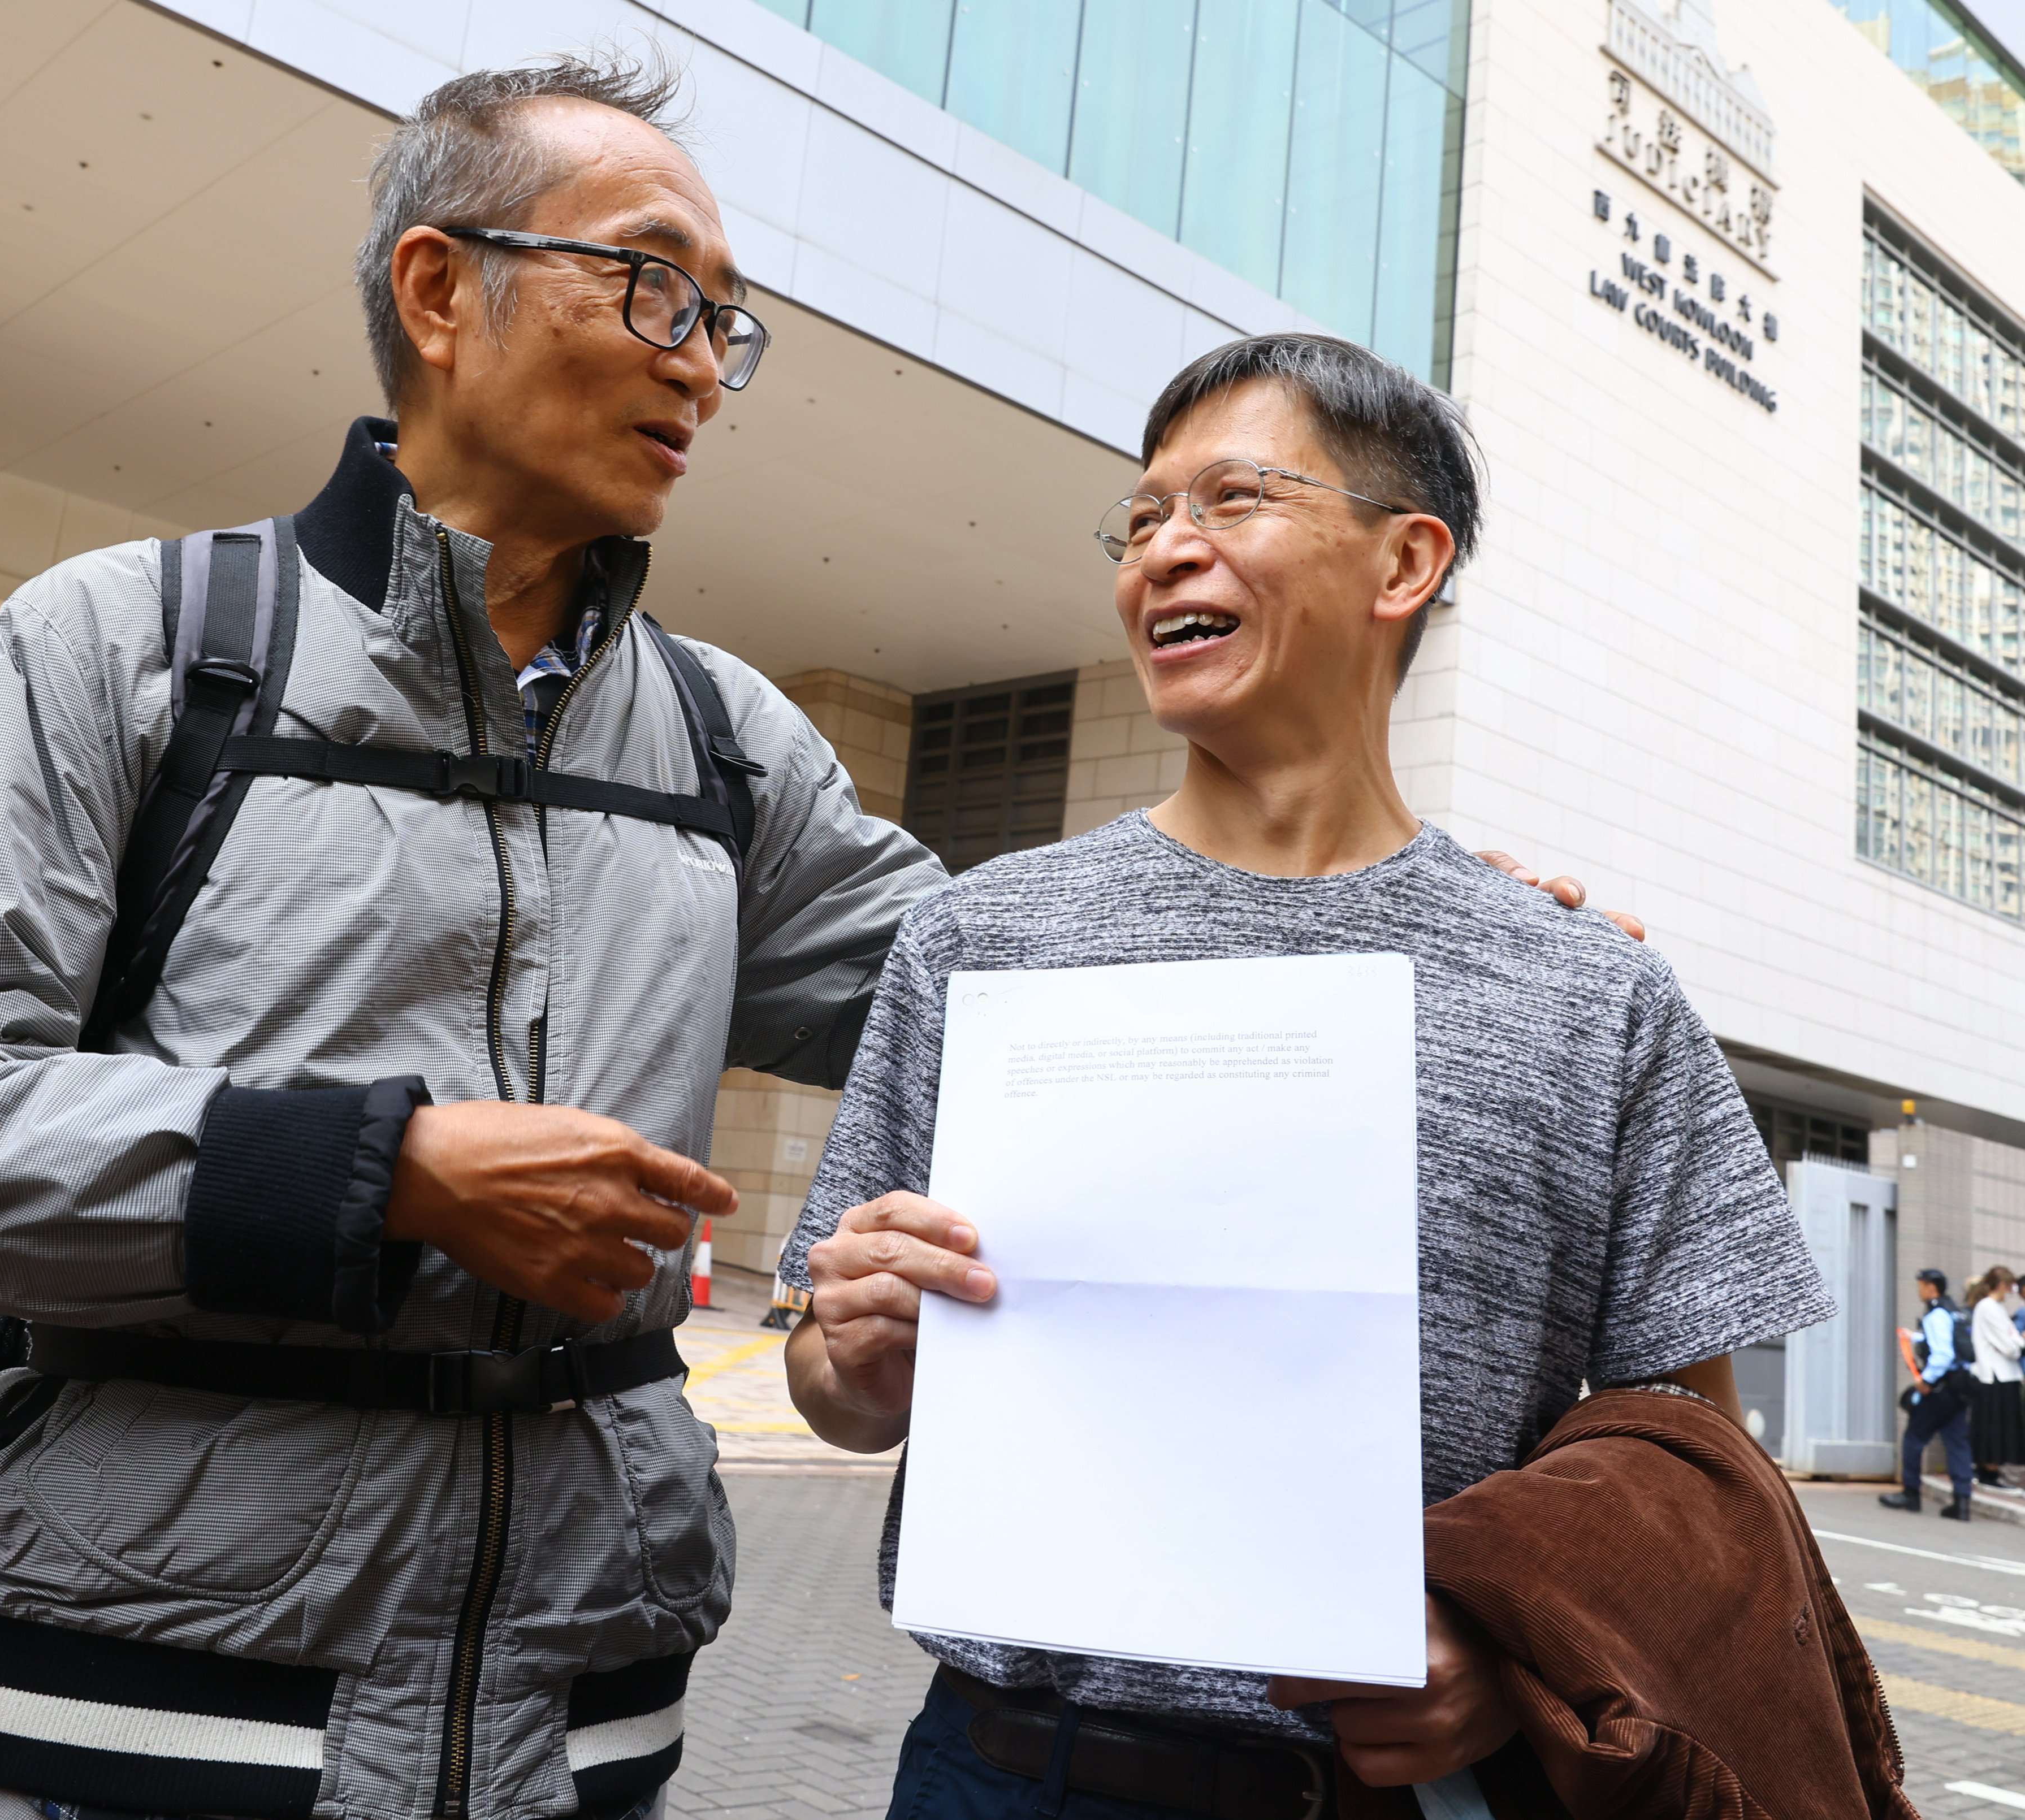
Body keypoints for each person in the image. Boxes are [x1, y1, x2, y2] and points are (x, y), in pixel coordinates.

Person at [0, 53, 949, 1820]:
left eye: (728, 321)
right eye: (650, 282)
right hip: (141, 1725)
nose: (702, 358)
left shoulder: (733, 745)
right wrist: (381, 1166)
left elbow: (1007, 994)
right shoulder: (133, 645)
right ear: (438, 289)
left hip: (581, 1724)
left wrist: (1362, 892)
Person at [780, 332, 1833, 1817]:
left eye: (1231, 500)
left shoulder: (1588, 986)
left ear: (1405, 560)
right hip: (1005, 1767)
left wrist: (1511, 1642)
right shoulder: (980, 932)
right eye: (1142, 520)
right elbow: (835, 1386)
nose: (1163, 553)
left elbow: (1695, 1455)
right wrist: (857, 1342)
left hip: (1403, 1788)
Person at [1883, 1268, 1976, 1520]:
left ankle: (1911, 1494)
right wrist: (1914, 1338)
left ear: (1931, 1287)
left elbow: (1943, 1354)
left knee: (1914, 1437)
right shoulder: (1955, 1313)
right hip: (1959, 1389)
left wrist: (1926, 1380)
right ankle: (1962, 1501)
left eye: (1921, 1285)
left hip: (1940, 1388)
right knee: (1958, 1443)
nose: (1919, 1290)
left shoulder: (1936, 1315)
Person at [1969, 1265, 2022, 1491]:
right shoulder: (1989, 1308)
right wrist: (2017, 1341)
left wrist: (2016, 1341)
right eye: (2010, 1286)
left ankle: (1990, 1471)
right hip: (1995, 1375)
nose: (2012, 1291)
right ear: (2002, 1285)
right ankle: (1988, 1472)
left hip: (2000, 1376)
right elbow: (2011, 1346)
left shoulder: (1994, 1308)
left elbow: (2015, 1341)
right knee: (1996, 1427)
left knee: (1996, 1426)